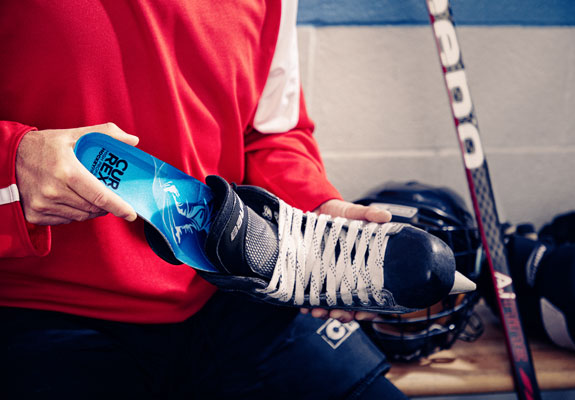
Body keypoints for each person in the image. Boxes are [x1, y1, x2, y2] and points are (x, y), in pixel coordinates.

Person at [0, 1, 410, 399]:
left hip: (227, 289)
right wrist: (13, 161)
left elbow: (267, 132)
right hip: (39, 308)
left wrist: (313, 207)